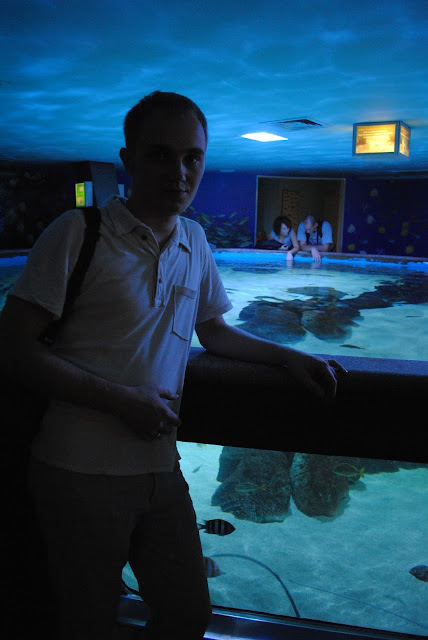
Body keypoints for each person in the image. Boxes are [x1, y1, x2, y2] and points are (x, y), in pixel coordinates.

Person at [0, 91, 346, 640]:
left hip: (161, 468)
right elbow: (14, 348)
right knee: (85, 622)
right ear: (128, 159)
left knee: (187, 614)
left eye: (193, 157)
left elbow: (214, 331)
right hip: (78, 473)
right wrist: (119, 400)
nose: (180, 172)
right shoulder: (78, 234)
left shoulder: (195, 240)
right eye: (161, 155)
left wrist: (291, 358)